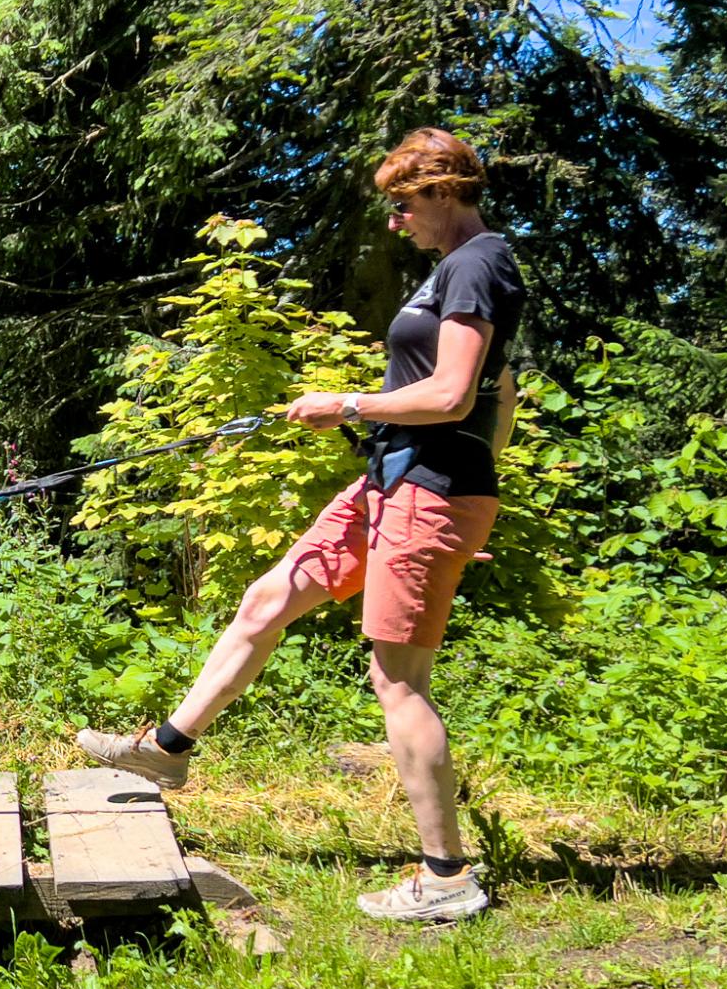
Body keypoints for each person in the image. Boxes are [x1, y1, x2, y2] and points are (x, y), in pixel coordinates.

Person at [77, 128, 525, 922]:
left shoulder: (478, 264)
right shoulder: (455, 270)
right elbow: (503, 395)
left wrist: (347, 407)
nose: (396, 224)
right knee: (270, 596)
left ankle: (447, 878)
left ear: (443, 191)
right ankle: (167, 752)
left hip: (427, 489)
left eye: (401, 206)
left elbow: (456, 394)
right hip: (395, 482)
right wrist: (463, 483)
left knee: (398, 681)